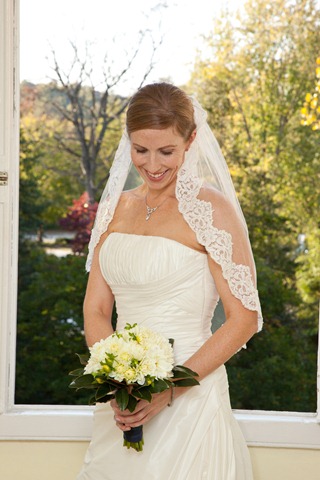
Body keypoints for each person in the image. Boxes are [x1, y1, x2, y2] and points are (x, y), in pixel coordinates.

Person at [77, 82, 263, 480]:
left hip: (191, 401)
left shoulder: (211, 209)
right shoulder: (114, 208)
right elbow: (95, 308)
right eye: (140, 150)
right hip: (120, 407)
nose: (152, 164)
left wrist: (169, 390)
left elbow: (244, 318)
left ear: (190, 140)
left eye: (167, 151)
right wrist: (115, 381)